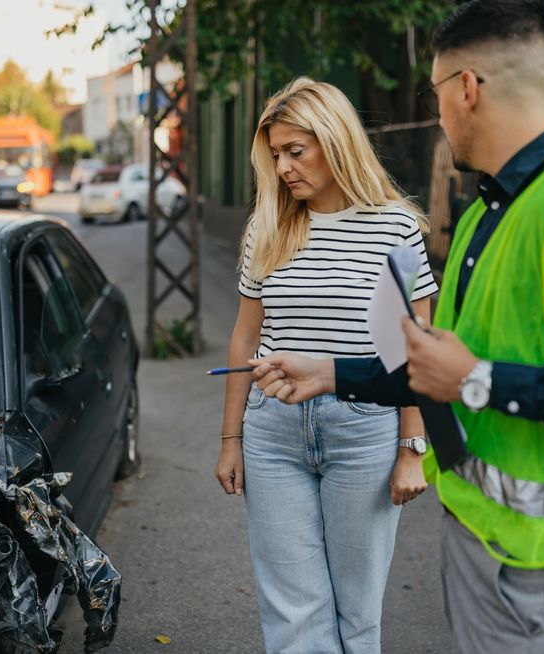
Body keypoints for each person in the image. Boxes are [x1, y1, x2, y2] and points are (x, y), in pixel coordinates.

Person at [248, 2, 544, 653]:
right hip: (487, 544)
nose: (437, 115)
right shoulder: (493, 206)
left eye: (436, 95)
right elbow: (438, 367)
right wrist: (330, 373)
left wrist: (481, 380)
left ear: (466, 88)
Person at [215, 77, 438, 653]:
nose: (284, 167)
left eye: (296, 150)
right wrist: (231, 438)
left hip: (363, 430)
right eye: (275, 154)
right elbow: (246, 336)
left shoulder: (396, 227)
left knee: (357, 610)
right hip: (272, 434)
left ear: (335, 141)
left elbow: (411, 347)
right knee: (292, 612)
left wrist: (412, 450)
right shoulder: (267, 227)